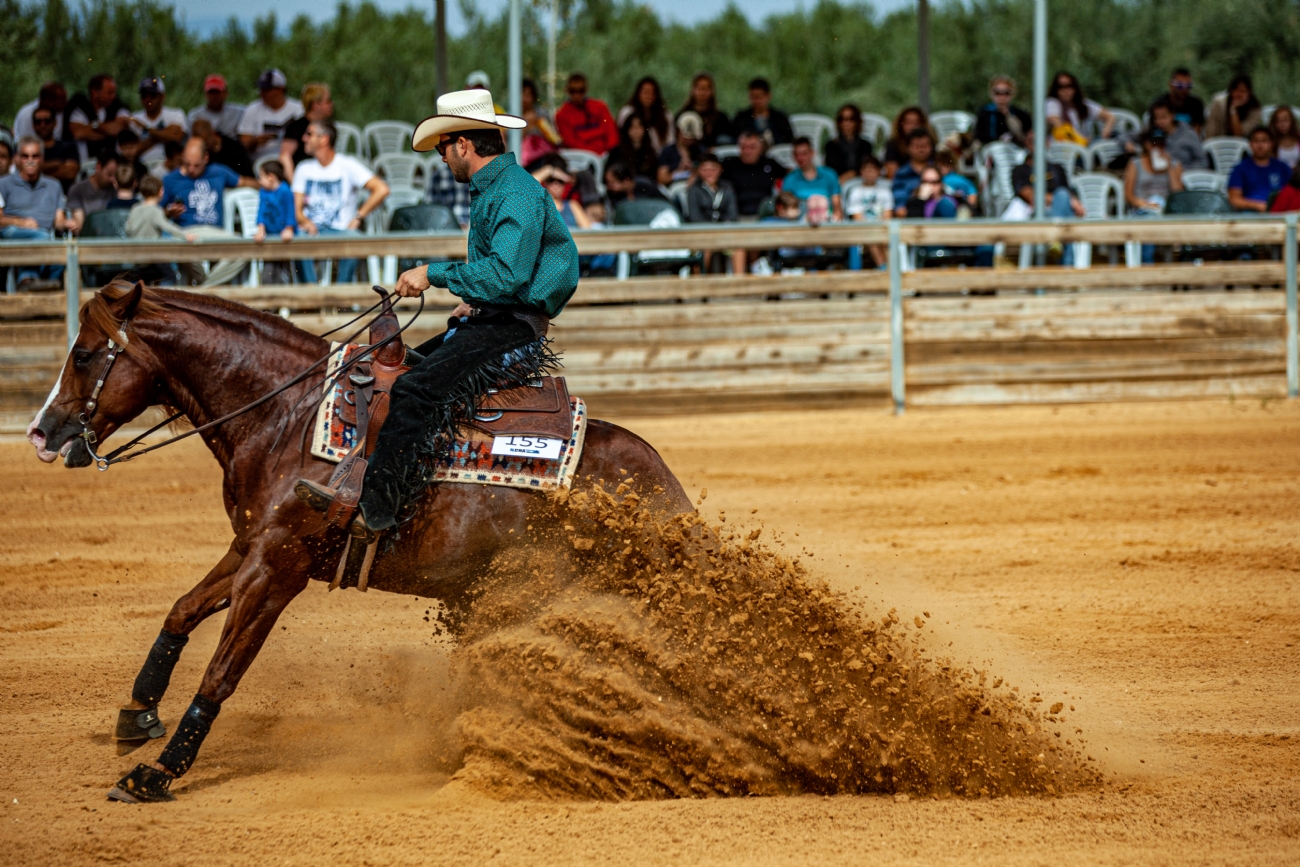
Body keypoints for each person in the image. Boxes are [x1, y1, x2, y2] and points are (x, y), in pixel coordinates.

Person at [294, 88, 579, 540]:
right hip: (500, 319)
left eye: (445, 147)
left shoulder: (515, 194)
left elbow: (507, 274)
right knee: (395, 371)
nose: (443, 157)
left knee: (414, 390)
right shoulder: (498, 189)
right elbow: (508, 273)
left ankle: (378, 510)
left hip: (513, 330)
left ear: (463, 144)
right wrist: (478, 297)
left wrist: (436, 273)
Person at [292, 119, 389, 283]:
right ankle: (311, 298)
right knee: (297, 238)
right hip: (310, 231)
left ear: (324, 139)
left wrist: (358, 218)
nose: (304, 138)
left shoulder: (347, 164)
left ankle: (340, 296)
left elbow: (381, 189)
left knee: (355, 239)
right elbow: (296, 210)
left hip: (340, 231)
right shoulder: (303, 168)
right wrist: (305, 221)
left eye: (309, 134)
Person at [162, 137, 257, 285]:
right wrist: (168, 212)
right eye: (187, 164)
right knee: (182, 250)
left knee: (244, 248)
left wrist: (268, 185)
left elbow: (244, 182)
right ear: (182, 157)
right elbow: (156, 211)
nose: (191, 169)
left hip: (215, 233)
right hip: (186, 233)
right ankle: (206, 293)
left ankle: (202, 291)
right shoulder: (170, 179)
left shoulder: (219, 171)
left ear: (206, 158)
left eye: (196, 165)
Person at [0, 137, 70, 290]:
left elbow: (58, 220)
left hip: (47, 234)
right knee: (41, 238)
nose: (30, 160)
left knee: (61, 249)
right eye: (25, 156)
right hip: (13, 233)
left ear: (42, 158)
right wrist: (22, 223)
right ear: (17, 158)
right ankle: (28, 279)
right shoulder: (4, 183)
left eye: (35, 156)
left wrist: (67, 223)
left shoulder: (54, 185)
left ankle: (44, 287)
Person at [1008, 130, 1086, 219]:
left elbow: (1069, 193)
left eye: (1039, 140)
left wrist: (1071, 201)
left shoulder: (1057, 168)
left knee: (1064, 199)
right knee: (1062, 195)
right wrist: (1063, 199)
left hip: (1059, 211)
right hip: (1034, 213)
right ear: (1026, 142)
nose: (1036, 144)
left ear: (1047, 143)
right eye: (1032, 141)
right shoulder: (1019, 170)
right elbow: (1030, 196)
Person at [64, 74, 132, 164]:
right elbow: (79, 133)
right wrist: (109, 130)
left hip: (115, 164)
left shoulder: (119, 107)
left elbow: (119, 129)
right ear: (95, 92)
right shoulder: (80, 110)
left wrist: (93, 127)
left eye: (114, 92)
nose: (113, 96)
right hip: (87, 164)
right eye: (109, 93)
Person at [238, 69, 304, 162]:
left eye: (267, 90)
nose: (262, 93)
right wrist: (255, 141)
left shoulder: (299, 109)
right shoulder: (253, 109)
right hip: (260, 160)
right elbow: (243, 143)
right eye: (261, 89)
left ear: (281, 89)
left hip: (291, 159)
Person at [1125, 100, 1206, 170]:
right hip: (1155, 176)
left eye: (1164, 117)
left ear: (1172, 115)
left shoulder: (1188, 134)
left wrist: (1179, 169)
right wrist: (1128, 143)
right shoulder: (1152, 133)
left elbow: (1202, 162)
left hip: (1182, 176)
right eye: (1156, 118)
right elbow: (1125, 134)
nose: (1160, 121)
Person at [252, 160, 298, 284]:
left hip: (284, 237)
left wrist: (289, 228)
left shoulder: (285, 191)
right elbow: (261, 212)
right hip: (270, 237)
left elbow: (290, 211)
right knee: (269, 267)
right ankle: (268, 297)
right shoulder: (263, 192)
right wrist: (261, 229)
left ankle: (283, 298)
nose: (259, 180)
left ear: (271, 177)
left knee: (284, 269)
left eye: (261, 177)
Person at [721, 130, 784, 218]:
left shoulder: (770, 164)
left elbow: (788, 176)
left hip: (766, 216)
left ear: (760, 148)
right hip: (736, 216)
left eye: (752, 147)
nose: (747, 152)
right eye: (744, 147)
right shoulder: (729, 164)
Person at [844, 155, 892, 269]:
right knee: (873, 239)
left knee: (887, 240)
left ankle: (890, 270)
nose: (869, 172)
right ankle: (884, 268)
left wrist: (879, 228)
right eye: (866, 169)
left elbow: (888, 215)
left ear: (878, 172)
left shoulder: (885, 191)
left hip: (882, 228)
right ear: (861, 172)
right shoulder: (855, 191)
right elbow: (857, 217)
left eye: (872, 169)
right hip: (863, 229)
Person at [1228, 126, 1291, 212]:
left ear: (1271, 144)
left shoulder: (1282, 167)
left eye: (1264, 141)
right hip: (1250, 212)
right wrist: (1258, 205)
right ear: (1250, 144)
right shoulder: (1240, 169)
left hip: (1279, 211)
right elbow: (1234, 199)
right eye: (1256, 141)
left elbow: (1294, 194)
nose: (1260, 145)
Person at [555, 72, 619, 155]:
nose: (577, 95)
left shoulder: (600, 107)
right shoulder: (561, 115)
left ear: (586, 89)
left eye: (581, 90)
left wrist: (609, 151)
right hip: (582, 156)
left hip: (606, 153)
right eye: (573, 91)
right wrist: (593, 153)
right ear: (567, 90)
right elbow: (570, 142)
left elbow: (611, 131)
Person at [279, 83, 333, 181]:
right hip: (302, 178)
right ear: (316, 105)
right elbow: (285, 156)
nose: (331, 104)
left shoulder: (328, 125)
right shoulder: (296, 126)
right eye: (328, 101)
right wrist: (295, 185)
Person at [782, 137, 841, 223]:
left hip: (827, 226)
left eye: (804, 153)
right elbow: (786, 212)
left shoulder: (829, 175)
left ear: (812, 153)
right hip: (799, 227)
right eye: (796, 154)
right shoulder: (789, 180)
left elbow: (838, 210)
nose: (800, 158)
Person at [130, 77, 187, 164]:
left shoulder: (176, 114)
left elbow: (176, 138)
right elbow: (132, 150)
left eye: (153, 95)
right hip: (143, 166)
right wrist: (164, 134)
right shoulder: (134, 117)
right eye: (144, 95)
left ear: (162, 96)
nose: (148, 99)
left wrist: (146, 128)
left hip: (169, 167)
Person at [1045, 72, 1114, 144]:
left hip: (1083, 146)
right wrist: (1081, 139)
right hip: (1061, 147)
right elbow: (1056, 123)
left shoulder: (1082, 104)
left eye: (1069, 86)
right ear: (1055, 89)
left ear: (1075, 88)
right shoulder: (1052, 103)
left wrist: (1105, 131)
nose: (1066, 90)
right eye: (1061, 86)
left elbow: (1109, 116)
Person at [616, 76, 674, 153]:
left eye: (652, 93)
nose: (648, 96)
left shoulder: (665, 115)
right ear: (638, 93)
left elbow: (670, 140)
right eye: (645, 92)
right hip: (632, 153)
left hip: (660, 156)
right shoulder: (627, 112)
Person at [66, 150, 118, 232]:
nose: (112, 179)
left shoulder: (117, 189)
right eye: (109, 174)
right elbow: (80, 225)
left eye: (116, 175)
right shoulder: (77, 189)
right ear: (98, 166)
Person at [731, 77, 793, 147]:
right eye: (753, 97)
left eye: (759, 97)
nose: (757, 101)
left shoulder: (780, 118)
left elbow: (788, 140)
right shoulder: (741, 118)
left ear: (768, 96)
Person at [975, 75, 1032, 147]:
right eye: (997, 93)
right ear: (991, 93)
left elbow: (1024, 135)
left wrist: (1008, 115)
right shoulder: (985, 112)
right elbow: (979, 136)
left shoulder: (1020, 114)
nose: (1002, 97)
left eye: (1006, 93)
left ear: (1012, 94)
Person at [679, 72, 732, 148]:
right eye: (700, 88)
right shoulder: (683, 115)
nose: (702, 93)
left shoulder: (721, 117)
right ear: (693, 90)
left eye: (706, 89)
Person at [823, 104, 873, 182]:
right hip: (838, 183)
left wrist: (852, 174)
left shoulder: (866, 145)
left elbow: (868, 167)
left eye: (851, 119)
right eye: (842, 119)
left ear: (857, 121)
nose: (846, 123)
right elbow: (830, 170)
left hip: (861, 183)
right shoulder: (831, 145)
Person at [31, 106, 79, 188]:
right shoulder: (28, 149)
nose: (43, 125)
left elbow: (71, 173)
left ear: (54, 123)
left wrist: (40, 172)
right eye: (38, 122)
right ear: (33, 125)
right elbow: (27, 171)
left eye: (47, 121)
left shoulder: (68, 146)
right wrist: (58, 164)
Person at [891, 129, 936, 212]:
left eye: (925, 146)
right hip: (910, 218)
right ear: (908, 148)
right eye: (917, 146)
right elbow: (899, 205)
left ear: (931, 147)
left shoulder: (939, 170)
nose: (921, 150)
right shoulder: (901, 173)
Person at [533, 164, 591, 229]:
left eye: (560, 181)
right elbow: (527, 185)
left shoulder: (572, 205)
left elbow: (588, 231)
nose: (556, 185)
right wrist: (550, 170)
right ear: (545, 183)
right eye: (551, 180)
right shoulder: (540, 206)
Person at [520, 77, 561, 166]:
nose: (526, 99)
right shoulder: (511, 116)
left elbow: (554, 139)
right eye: (523, 94)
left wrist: (541, 126)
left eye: (529, 95)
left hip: (543, 157)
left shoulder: (542, 115)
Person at [1206, 75, 1262, 140]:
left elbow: (1238, 134)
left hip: (1244, 144)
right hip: (1219, 143)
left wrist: (1233, 111)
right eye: (1236, 90)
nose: (1239, 94)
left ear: (1249, 92)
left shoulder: (1255, 109)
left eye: (1243, 91)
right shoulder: (1219, 103)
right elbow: (1211, 129)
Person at [188, 75, 244, 139]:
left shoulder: (239, 112)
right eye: (211, 93)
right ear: (205, 95)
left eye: (217, 92)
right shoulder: (195, 115)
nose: (214, 96)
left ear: (226, 93)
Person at [658, 111, 705, 186]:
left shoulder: (700, 150)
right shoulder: (668, 151)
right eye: (686, 138)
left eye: (692, 139)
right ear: (678, 132)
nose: (689, 141)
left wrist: (694, 171)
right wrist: (678, 173)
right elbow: (661, 178)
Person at [882, 106, 929, 178]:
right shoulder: (893, 144)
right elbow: (892, 174)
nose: (912, 127)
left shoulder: (930, 141)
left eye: (916, 123)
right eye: (908, 123)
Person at [1154, 68, 1205, 135]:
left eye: (1188, 86)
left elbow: (1196, 132)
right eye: (1180, 85)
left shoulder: (1196, 104)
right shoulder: (1160, 103)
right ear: (1171, 85)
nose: (1184, 89)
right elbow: (1154, 131)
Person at [613, 114, 660, 181]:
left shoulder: (650, 152)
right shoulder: (618, 152)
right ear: (627, 129)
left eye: (639, 127)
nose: (636, 131)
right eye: (632, 127)